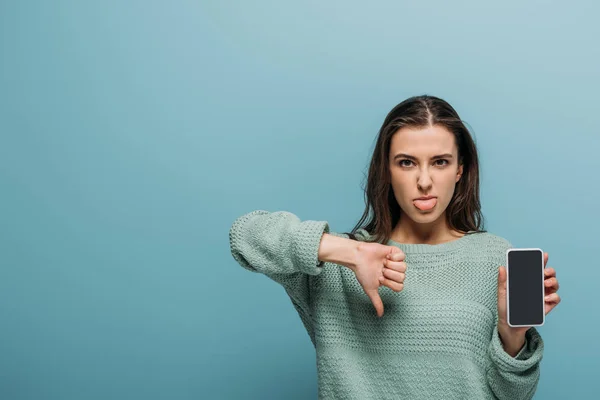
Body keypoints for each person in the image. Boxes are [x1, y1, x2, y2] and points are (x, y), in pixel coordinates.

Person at [228, 95, 561, 399]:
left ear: (461, 169)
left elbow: (514, 396)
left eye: (440, 162)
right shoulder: (337, 265)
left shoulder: (492, 256)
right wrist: (351, 253)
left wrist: (511, 333)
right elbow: (245, 235)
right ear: (386, 171)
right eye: (407, 162)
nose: (425, 180)